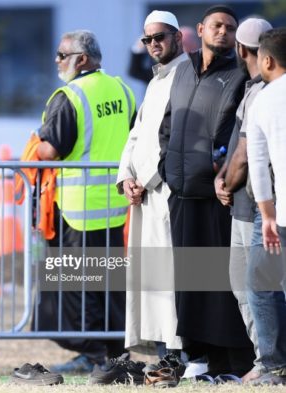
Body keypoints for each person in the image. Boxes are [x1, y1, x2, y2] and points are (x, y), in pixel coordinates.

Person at [28, 30, 135, 375]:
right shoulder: (123, 90)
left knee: (77, 287)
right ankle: (115, 351)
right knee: (109, 285)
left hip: (78, 208)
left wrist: (34, 143)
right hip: (115, 208)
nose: (57, 61)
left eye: (62, 55)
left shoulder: (70, 95)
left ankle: (91, 354)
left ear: (82, 59)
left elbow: (50, 149)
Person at [159, 5, 254, 377]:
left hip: (218, 196)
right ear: (200, 29)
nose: (224, 33)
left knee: (221, 286)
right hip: (181, 191)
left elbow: (235, 132)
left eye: (230, 29)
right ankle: (196, 358)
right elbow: (170, 121)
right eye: (217, 26)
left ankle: (231, 362)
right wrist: (166, 165)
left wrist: (222, 171)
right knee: (189, 282)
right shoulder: (183, 68)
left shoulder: (239, 74)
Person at [117, 9, 188, 365]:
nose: (153, 44)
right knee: (150, 278)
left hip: (165, 193)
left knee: (169, 274)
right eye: (148, 39)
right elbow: (137, 134)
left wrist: (145, 179)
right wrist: (126, 177)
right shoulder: (156, 79)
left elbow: (176, 138)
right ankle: (162, 351)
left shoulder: (186, 75)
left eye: (159, 36)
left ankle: (178, 351)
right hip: (144, 194)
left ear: (177, 37)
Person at [212, 17, 273, 383]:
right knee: (244, 286)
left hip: (253, 206)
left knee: (258, 288)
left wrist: (226, 181)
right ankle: (264, 358)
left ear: (241, 49)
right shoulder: (255, 89)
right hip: (245, 203)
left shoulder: (264, 93)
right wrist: (225, 177)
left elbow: (246, 155)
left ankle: (270, 361)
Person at [246, 27, 286, 386]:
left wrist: (268, 215)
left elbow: (258, 166)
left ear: (268, 60)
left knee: (262, 282)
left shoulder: (263, 99)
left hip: (282, 213)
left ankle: (274, 366)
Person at [128, 25, 200, 84]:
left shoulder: (202, 69)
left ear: (196, 45)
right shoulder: (164, 71)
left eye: (185, 44)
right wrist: (144, 41)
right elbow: (135, 71)